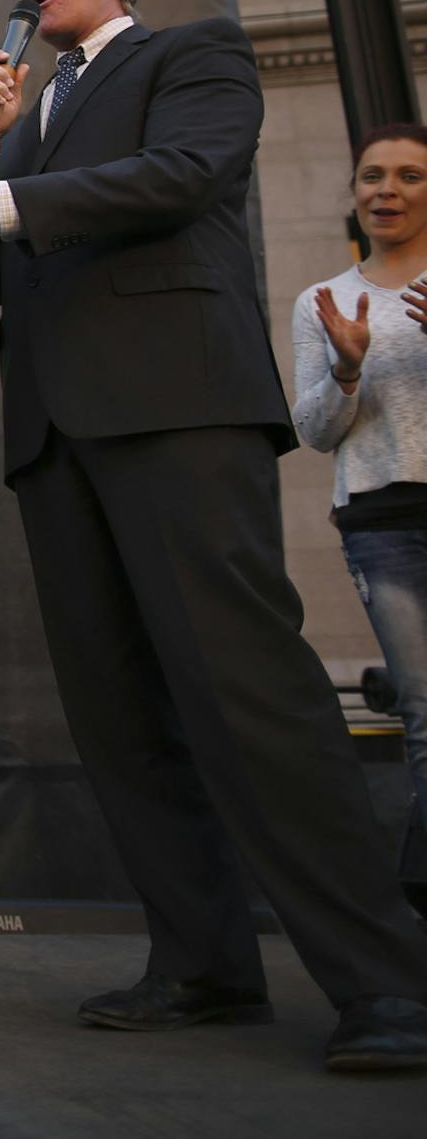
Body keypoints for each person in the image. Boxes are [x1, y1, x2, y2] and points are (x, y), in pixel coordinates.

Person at [0, 0, 427, 1070]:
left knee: (249, 696)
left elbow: (186, 175)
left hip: (176, 412)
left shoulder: (193, 56)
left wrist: (6, 194)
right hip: (59, 441)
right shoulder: (29, 111)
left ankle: (388, 987)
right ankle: (204, 965)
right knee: (122, 720)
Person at [291, 125, 427, 919]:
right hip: (382, 519)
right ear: (353, 191)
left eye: (408, 175)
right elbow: (314, 430)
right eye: (372, 175)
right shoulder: (324, 302)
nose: (387, 190)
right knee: (422, 709)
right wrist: (346, 368)